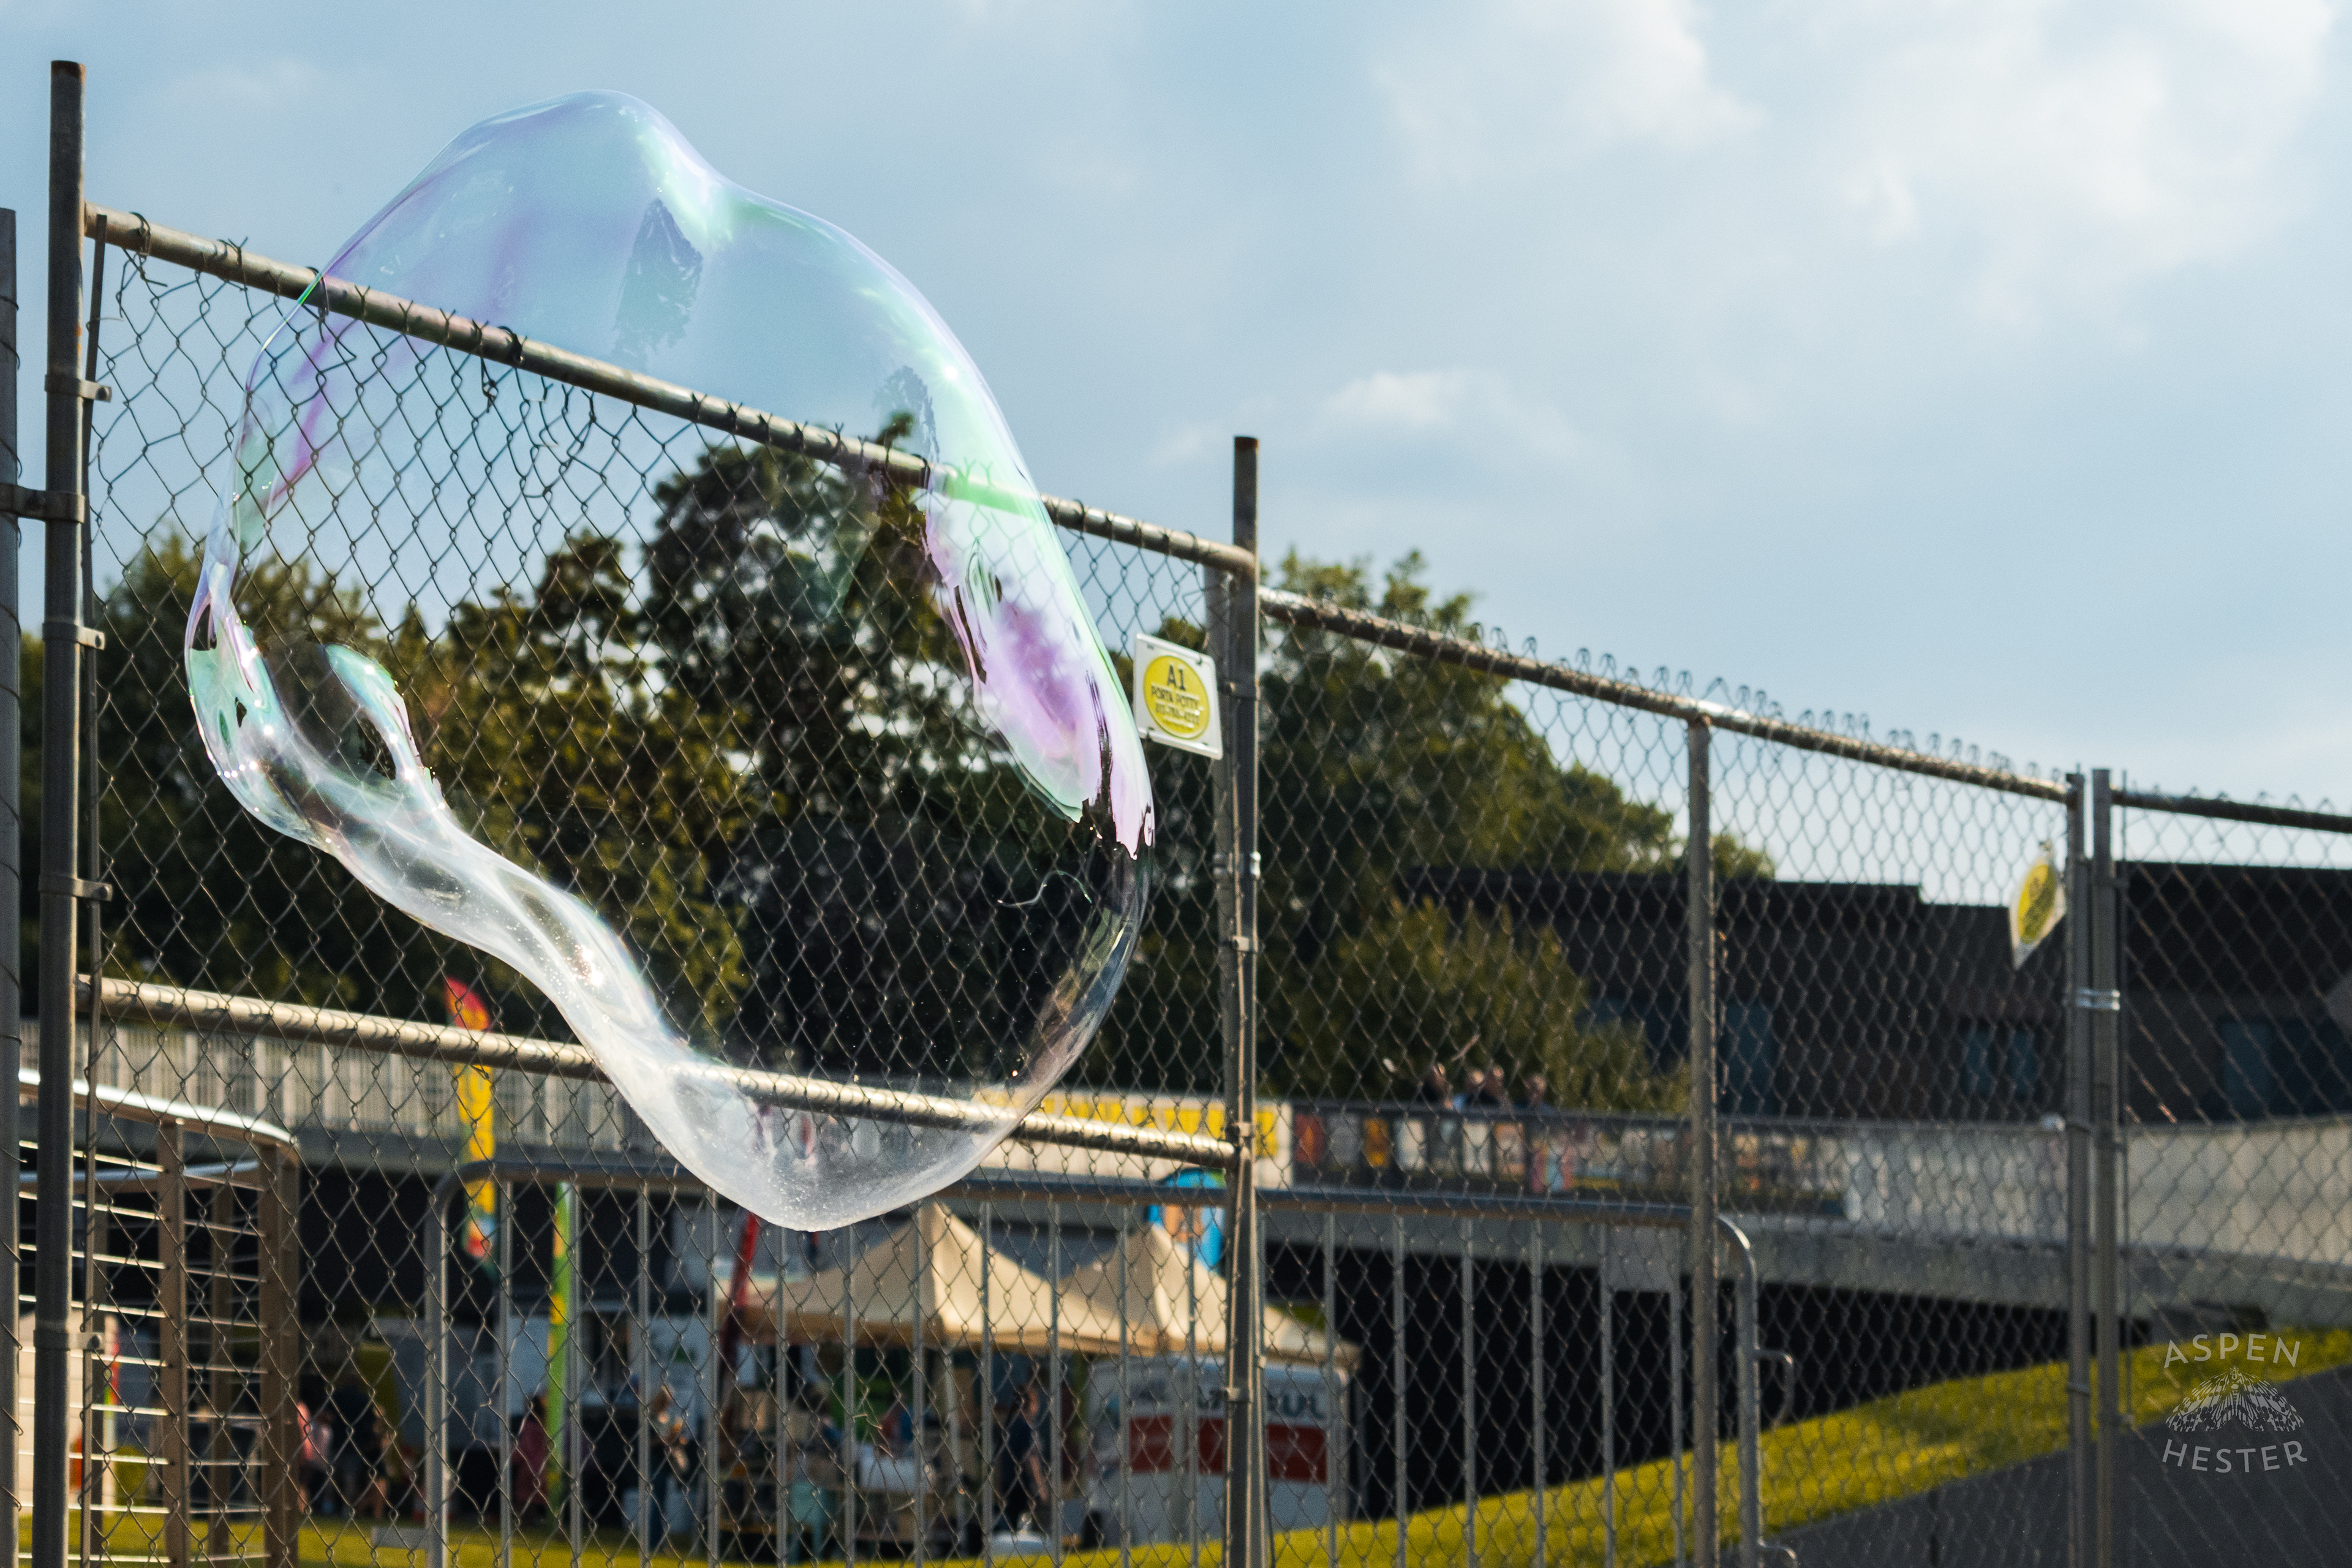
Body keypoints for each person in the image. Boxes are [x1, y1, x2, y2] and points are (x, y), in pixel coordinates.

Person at [993, 1384, 1048, 1536]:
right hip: (1024, 1486)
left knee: (1010, 1524)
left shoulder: (1007, 1427)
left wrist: (998, 1487)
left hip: (1007, 1483)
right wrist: (1040, 1486)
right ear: (1031, 1405)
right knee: (1026, 1526)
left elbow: (999, 1461)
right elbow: (1030, 1459)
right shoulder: (1026, 1428)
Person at [513, 1393, 552, 1524]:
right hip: (544, 1467)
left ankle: (522, 1521)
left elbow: (525, 1448)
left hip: (528, 1467)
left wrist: (514, 1458)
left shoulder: (529, 1426)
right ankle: (540, 1520)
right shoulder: (547, 1426)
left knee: (523, 1497)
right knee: (537, 1497)